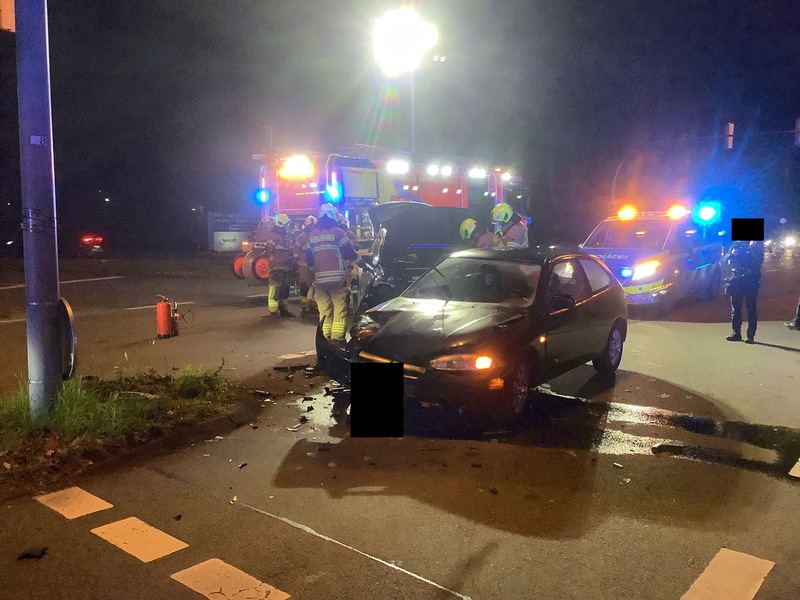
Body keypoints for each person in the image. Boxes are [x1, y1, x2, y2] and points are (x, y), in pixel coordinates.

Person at [307, 203, 360, 343]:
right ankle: (337, 340)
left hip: (319, 281)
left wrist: (314, 274)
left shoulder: (311, 235)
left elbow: (308, 258)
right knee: (340, 308)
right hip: (337, 280)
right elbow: (350, 252)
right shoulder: (337, 232)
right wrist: (365, 264)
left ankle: (325, 339)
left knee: (324, 311)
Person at [724, 240, 763, 343]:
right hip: (736, 279)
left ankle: (750, 336)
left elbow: (759, 261)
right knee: (735, 308)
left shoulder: (756, 244)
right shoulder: (736, 244)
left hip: (751, 279)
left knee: (751, 308)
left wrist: (750, 249)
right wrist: (732, 254)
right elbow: (725, 259)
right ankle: (736, 333)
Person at [264, 213, 294, 317]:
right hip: (276, 269)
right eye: (286, 225)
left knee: (285, 290)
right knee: (275, 290)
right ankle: (273, 311)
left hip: (284, 269)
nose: (287, 227)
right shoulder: (273, 237)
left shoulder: (283, 237)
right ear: (281, 224)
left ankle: (283, 310)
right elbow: (269, 252)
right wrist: (274, 266)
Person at [294, 215, 318, 314]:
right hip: (304, 266)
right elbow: (296, 250)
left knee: (315, 285)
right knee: (304, 286)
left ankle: (313, 304)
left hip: (315, 265)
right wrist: (295, 262)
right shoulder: (302, 237)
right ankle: (305, 306)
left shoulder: (317, 235)